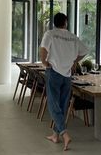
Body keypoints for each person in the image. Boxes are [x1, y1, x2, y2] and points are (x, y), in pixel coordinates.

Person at [40, 12, 87, 151]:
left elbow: (43, 49)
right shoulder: (73, 37)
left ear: (54, 22)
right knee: (62, 105)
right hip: (67, 75)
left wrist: (44, 62)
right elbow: (84, 51)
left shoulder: (50, 34)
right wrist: (74, 61)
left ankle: (64, 133)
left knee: (53, 105)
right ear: (65, 22)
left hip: (54, 72)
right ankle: (55, 135)